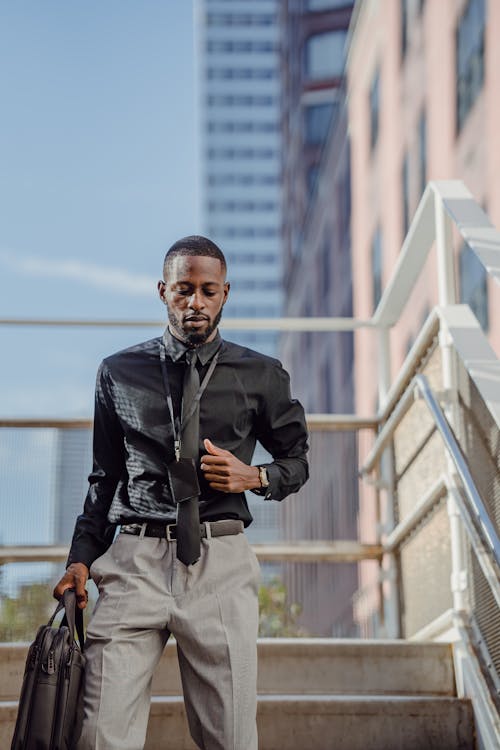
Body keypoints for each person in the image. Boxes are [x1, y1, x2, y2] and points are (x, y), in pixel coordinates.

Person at [53, 235, 309, 750]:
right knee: (100, 735)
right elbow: (104, 478)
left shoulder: (262, 375)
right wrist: (80, 560)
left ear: (225, 293)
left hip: (220, 562)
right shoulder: (117, 373)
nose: (196, 302)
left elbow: (297, 461)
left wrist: (254, 477)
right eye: (183, 290)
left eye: (207, 290)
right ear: (162, 291)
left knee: (232, 738)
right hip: (134, 562)